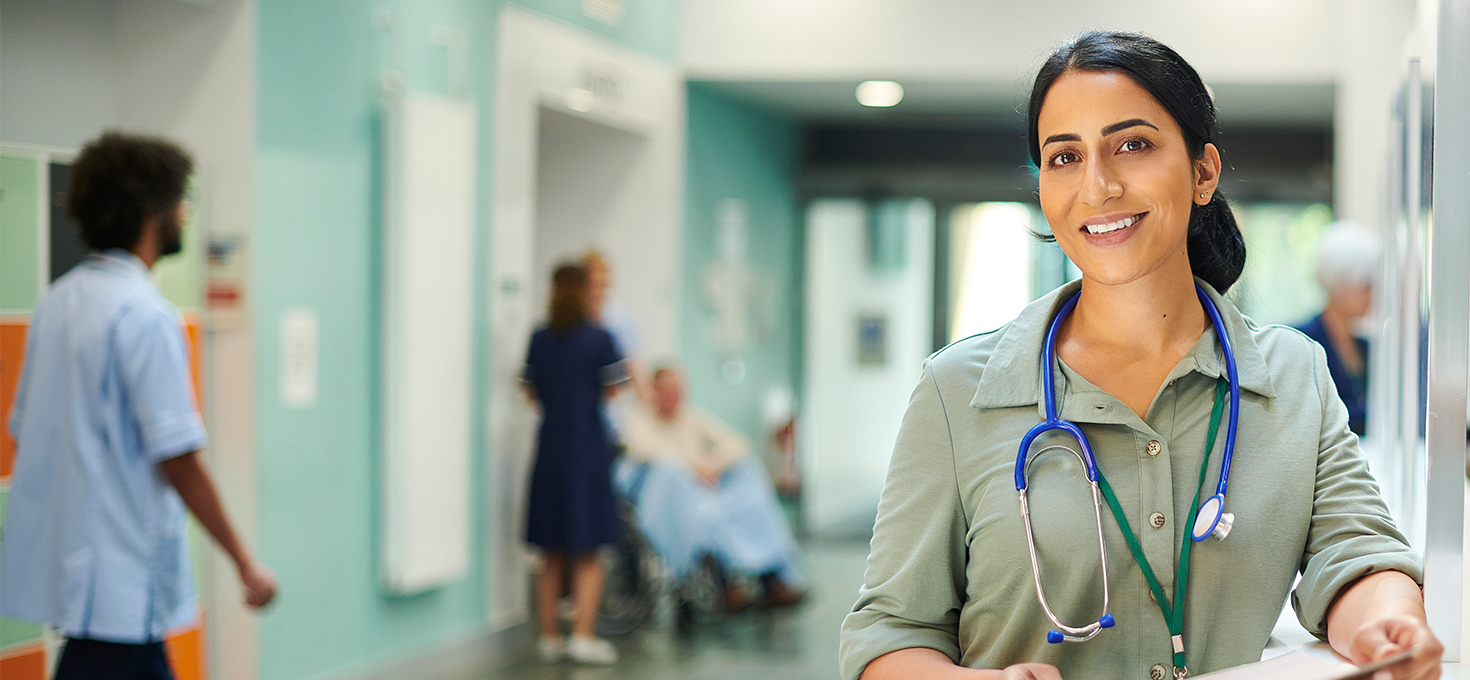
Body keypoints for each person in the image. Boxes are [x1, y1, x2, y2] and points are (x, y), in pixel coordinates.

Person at [840, 32, 1442, 680]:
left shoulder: (1292, 376)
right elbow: (889, 632)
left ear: (1203, 171)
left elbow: (1356, 557)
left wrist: (1389, 623)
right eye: (1064, 156)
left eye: (1132, 145)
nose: (1097, 186)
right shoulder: (957, 391)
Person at [0, 132, 277, 680]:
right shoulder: (147, 316)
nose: (186, 211)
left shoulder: (58, 302)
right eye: (181, 199)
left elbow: (22, 433)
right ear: (154, 212)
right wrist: (245, 562)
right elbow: (179, 458)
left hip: (81, 580)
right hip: (122, 583)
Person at [620, 366, 805, 611]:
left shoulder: (691, 418)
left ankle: (772, 578)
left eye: (679, 391)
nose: (675, 397)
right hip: (671, 502)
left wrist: (713, 465)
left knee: (748, 488)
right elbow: (643, 452)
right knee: (708, 516)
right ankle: (728, 584)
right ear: (655, 392)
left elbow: (737, 443)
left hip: (703, 492)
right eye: (669, 391)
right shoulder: (640, 421)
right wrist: (693, 467)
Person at [522, 264, 628, 665]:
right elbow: (616, 391)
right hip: (587, 451)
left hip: (549, 449)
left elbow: (531, 392)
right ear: (586, 291)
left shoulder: (539, 339)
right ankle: (582, 635)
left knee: (549, 549)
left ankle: (549, 637)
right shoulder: (599, 339)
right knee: (587, 550)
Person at [1296, 223, 1379, 435]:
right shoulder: (1302, 341)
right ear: (1340, 283)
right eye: (1366, 285)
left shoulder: (1367, 347)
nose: (1373, 295)